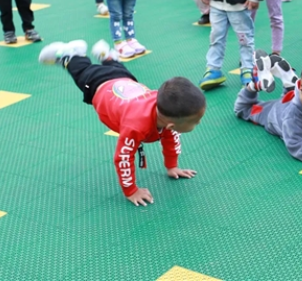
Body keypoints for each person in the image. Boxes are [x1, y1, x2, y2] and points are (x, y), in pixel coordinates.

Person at [38, 39, 206, 207]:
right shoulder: (136, 126)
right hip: (98, 84)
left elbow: (171, 141)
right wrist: (131, 190)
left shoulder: (165, 110)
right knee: (81, 70)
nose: (198, 123)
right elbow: (123, 158)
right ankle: (69, 55)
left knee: (118, 68)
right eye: (196, 122)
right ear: (171, 125)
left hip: (125, 80)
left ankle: (108, 57)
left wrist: (172, 166)